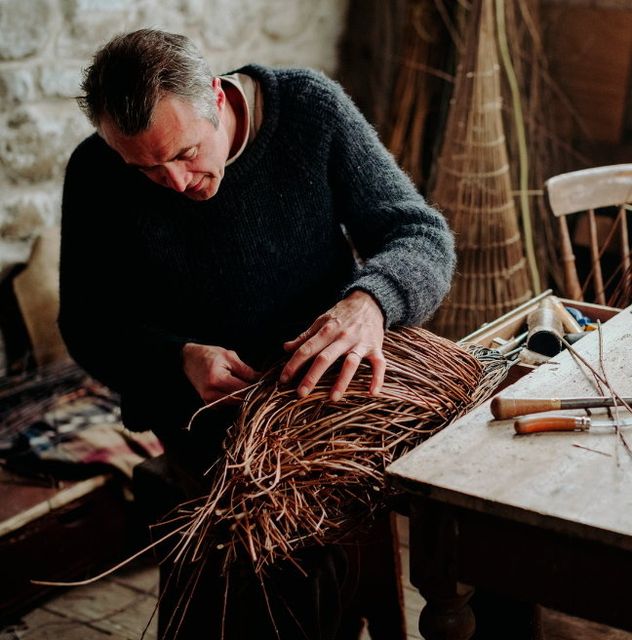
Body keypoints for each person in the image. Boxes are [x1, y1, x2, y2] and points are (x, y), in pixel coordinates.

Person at [58, 28, 455, 640]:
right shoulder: (96, 171)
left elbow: (419, 234)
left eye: (187, 152)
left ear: (216, 96)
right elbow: (86, 325)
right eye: (146, 168)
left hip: (326, 390)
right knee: (263, 549)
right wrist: (176, 359)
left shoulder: (307, 110)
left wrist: (370, 303)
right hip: (204, 413)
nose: (176, 181)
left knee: (421, 528)